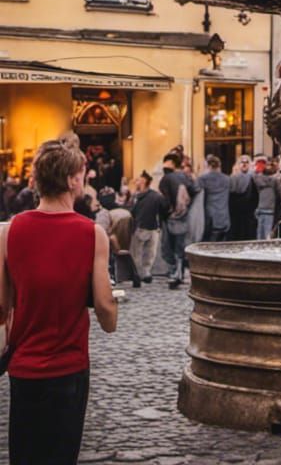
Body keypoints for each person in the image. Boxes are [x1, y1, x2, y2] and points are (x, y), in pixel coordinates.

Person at [0, 133, 117, 465]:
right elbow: (106, 312)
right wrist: (109, 308)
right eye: (81, 174)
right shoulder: (91, 233)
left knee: (25, 455)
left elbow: (1, 306)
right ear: (71, 180)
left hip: (23, 367)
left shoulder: (9, 232)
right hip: (68, 366)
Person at [159, 153, 200, 288]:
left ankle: (174, 273)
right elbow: (196, 190)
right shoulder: (185, 177)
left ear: (170, 163)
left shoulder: (166, 178)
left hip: (171, 216)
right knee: (180, 245)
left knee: (169, 245)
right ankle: (180, 273)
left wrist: (165, 213)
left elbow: (164, 200)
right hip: (184, 215)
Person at [129, 171, 164, 282]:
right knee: (149, 254)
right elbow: (162, 210)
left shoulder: (137, 196)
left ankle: (138, 274)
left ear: (144, 181)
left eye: (138, 180)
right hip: (153, 227)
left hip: (141, 227)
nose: (136, 182)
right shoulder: (156, 196)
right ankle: (146, 273)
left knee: (137, 253)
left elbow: (132, 212)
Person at [199, 155, 230, 241]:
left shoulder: (203, 179)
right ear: (219, 165)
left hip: (209, 218)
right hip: (224, 218)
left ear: (208, 166)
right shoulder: (227, 179)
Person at [229, 155, 255, 241]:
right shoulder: (232, 178)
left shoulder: (254, 178)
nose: (244, 164)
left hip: (249, 212)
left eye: (246, 162)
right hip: (235, 212)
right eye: (242, 162)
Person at [253, 160, 278, 239]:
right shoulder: (276, 180)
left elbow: (254, 176)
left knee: (260, 234)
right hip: (271, 209)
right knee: (268, 233)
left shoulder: (258, 179)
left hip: (261, 208)